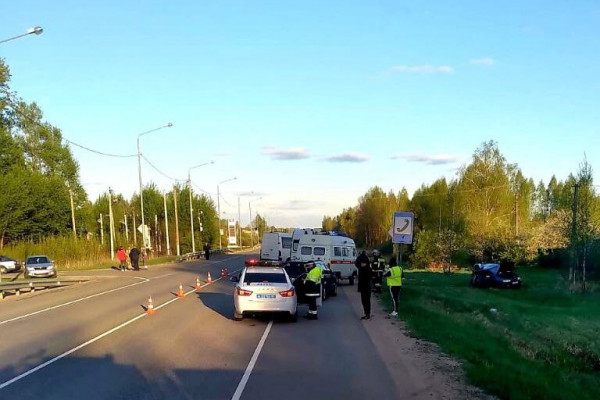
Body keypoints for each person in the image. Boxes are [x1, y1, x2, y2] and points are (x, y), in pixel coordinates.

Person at [355, 250, 372, 320]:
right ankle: (367, 313)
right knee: (365, 300)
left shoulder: (364, 269)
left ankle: (367, 314)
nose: (363, 264)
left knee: (365, 300)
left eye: (363, 263)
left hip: (365, 286)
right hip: (365, 286)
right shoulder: (364, 269)